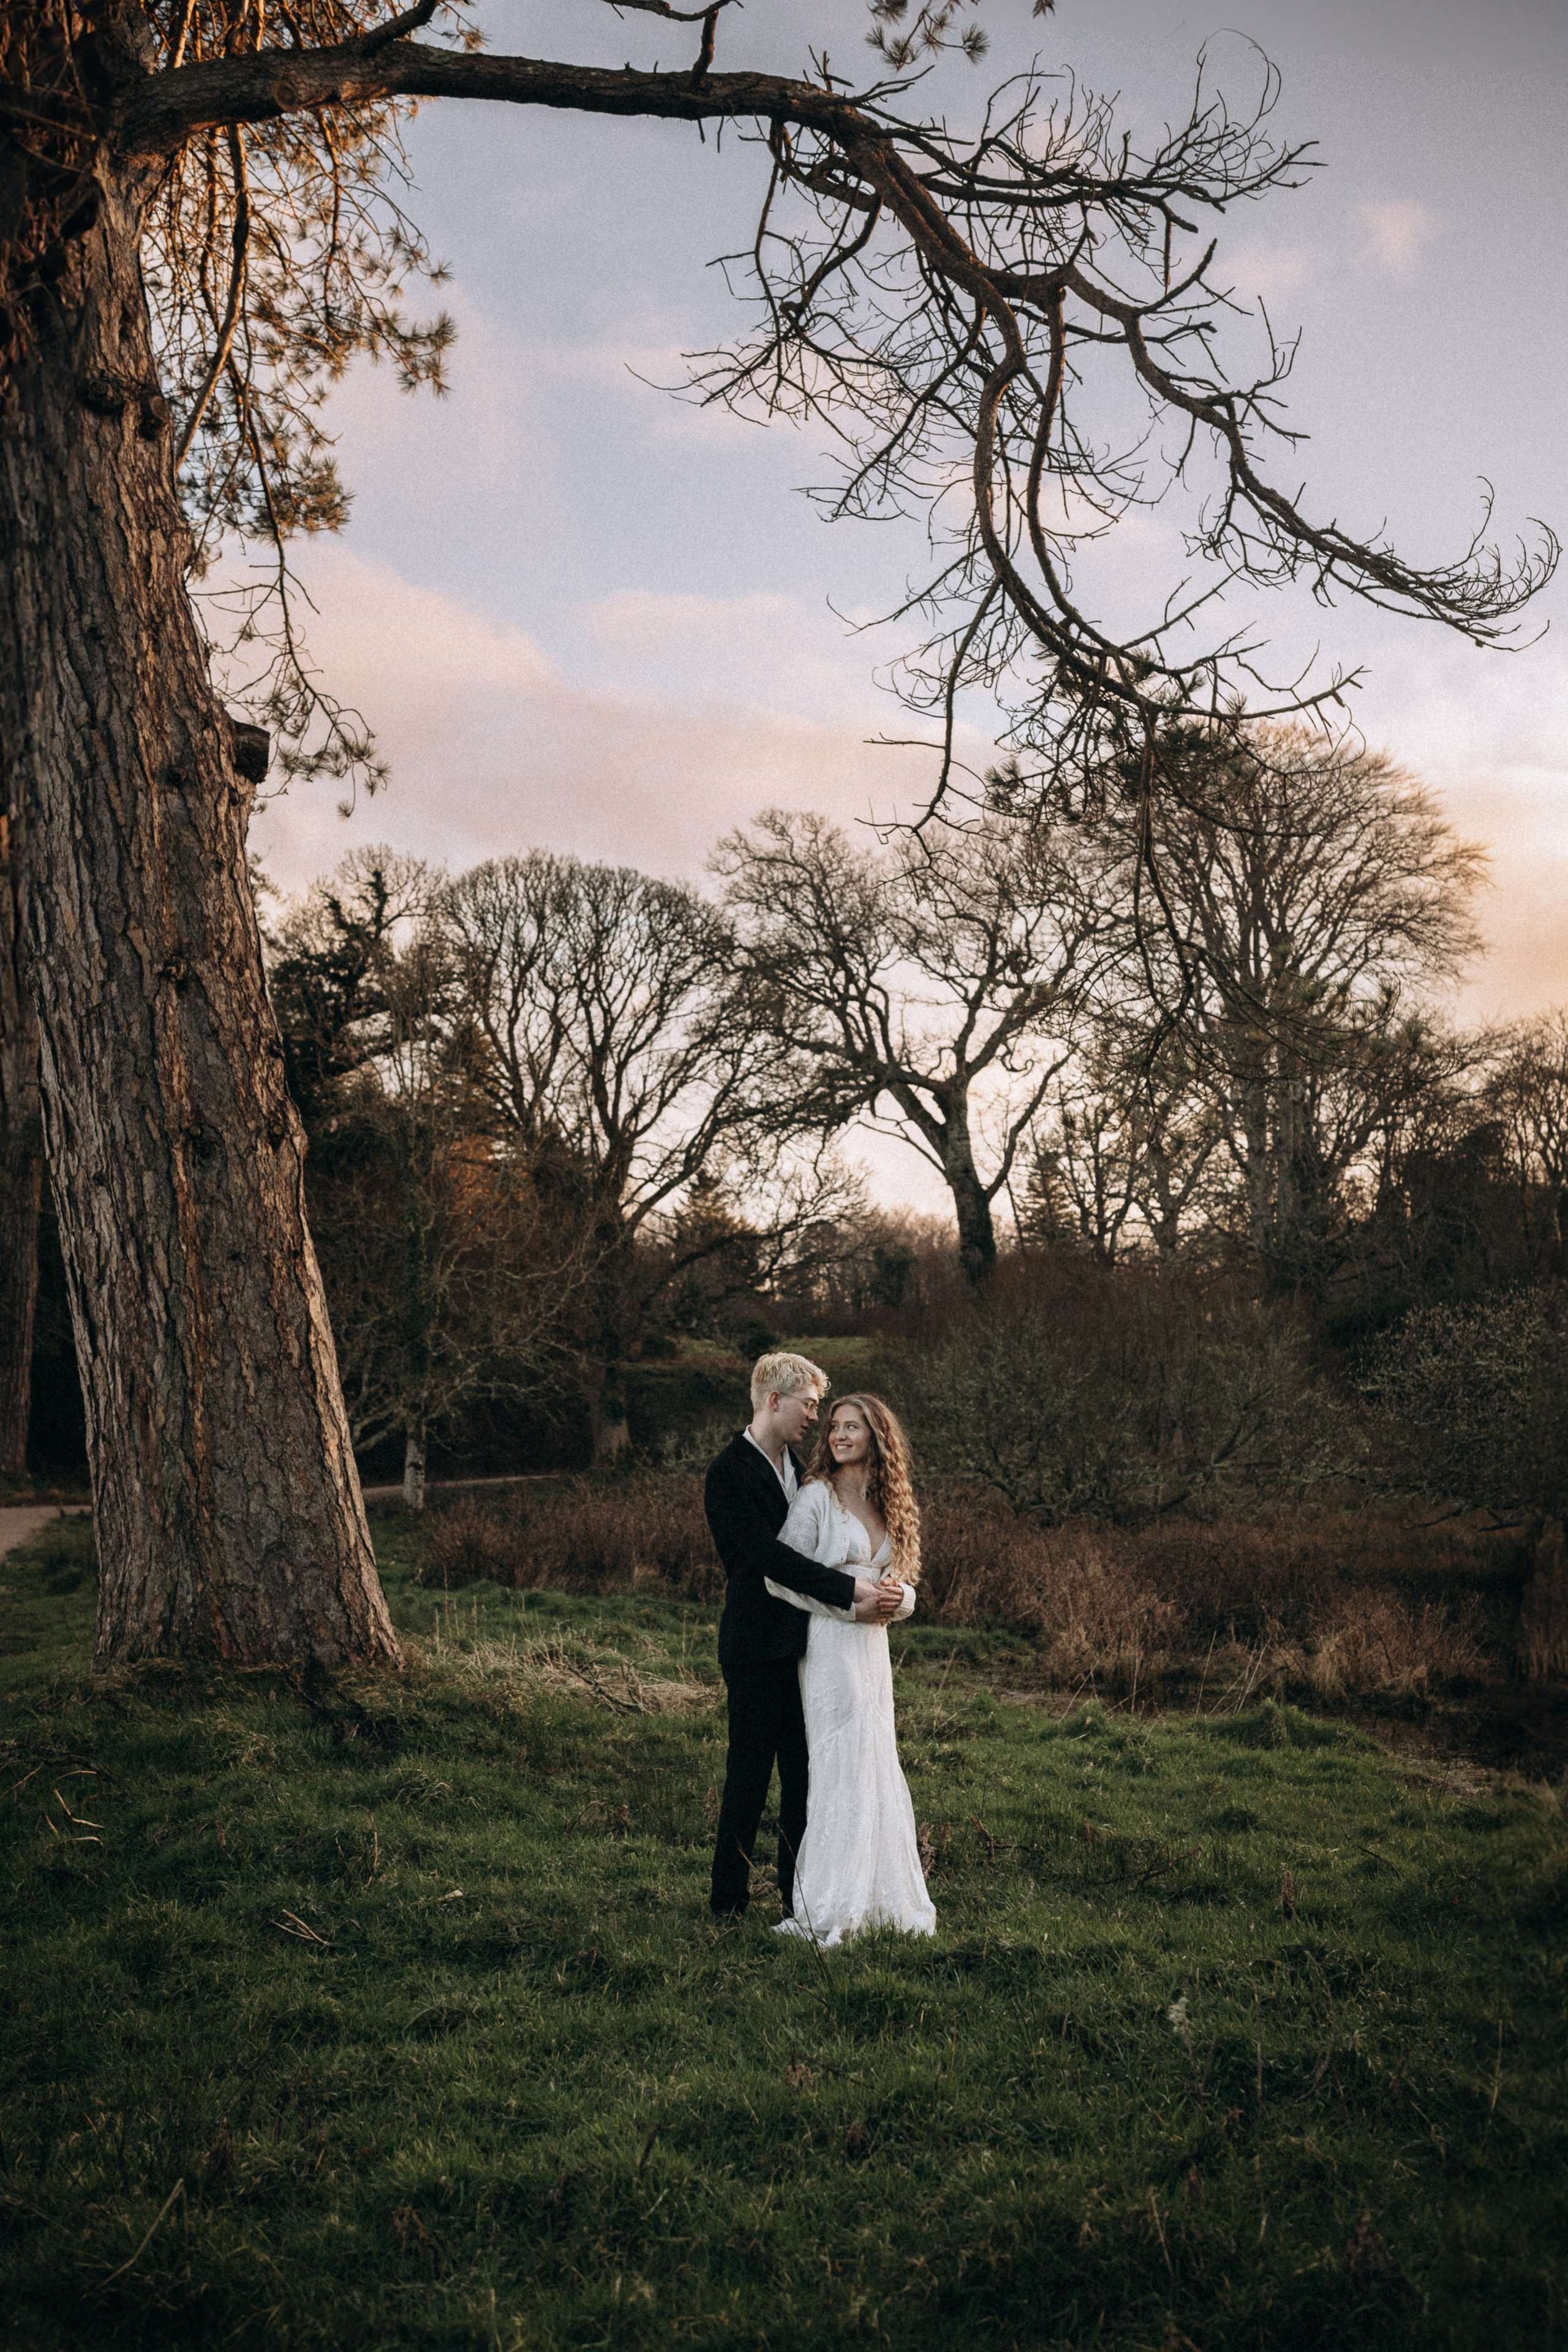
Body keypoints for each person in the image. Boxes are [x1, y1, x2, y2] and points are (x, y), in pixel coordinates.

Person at [704, 1353, 901, 1922]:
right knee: (748, 1775)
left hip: (809, 1645)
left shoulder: (799, 1469)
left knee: (803, 1777)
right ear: (775, 1400)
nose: (816, 1418)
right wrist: (849, 1593)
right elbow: (767, 1558)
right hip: (755, 1645)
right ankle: (728, 1903)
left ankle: (800, 1898)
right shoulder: (729, 1472)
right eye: (810, 1406)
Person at [766, 1393, 936, 1946]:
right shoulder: (817, 1495)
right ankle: (832, 1898)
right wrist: (849, 1605)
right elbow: (780, 1575)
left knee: (875, 1759)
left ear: (877, 1438)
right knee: (840, 1760)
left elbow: (904, 1584)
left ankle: (880, 1895)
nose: (839, 1435)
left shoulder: (890, 1501)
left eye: (852, 1427)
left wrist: (900, 1601)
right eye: (834, 1426)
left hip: (873, 1650)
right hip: (831, 1644)